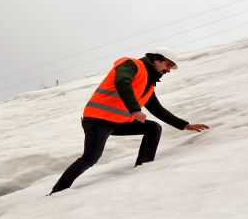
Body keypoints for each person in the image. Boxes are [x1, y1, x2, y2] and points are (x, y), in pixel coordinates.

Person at [50, 47, 209, 193]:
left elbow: (157, 109)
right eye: (167, 65)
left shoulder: (149, 83)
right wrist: (135, 109)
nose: (168, 70)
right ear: (156, 59)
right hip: (97, 120)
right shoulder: (131, 64)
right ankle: (58, 192)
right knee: (91, 157)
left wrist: (185, 125)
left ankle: (143, 169)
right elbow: (122, 82)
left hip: (117, 122)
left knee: (153, 128)